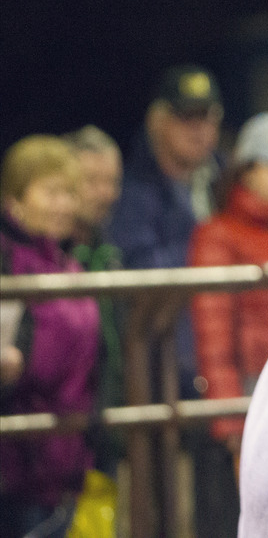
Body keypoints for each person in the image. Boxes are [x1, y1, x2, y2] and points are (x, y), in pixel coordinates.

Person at [187, 111, 268, 537]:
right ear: (249, 169)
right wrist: (229, 417)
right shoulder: (217, 235)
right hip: (252, 397)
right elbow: (212, 334)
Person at [0, 135, 100, 537]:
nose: (63, 205)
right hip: (17, 463)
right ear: (15, 199)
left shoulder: (70, 265)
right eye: (51, 192)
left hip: (64, 460)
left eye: (70, 193)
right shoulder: (8, 263)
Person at [107, 65, 224, 398]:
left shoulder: (228, 182)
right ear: (157, 120)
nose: (199, 129)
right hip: (169, 370)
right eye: (186, 116)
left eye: (208, 116)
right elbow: (142, 275)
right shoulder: (132, 195)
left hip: (227, 362)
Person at [62, 125, 127, 478]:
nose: (106, 194)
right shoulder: (33, 260)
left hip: (103, 429)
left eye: (112, 181)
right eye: (92, 181)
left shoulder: (110, 253)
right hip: (53, 431)